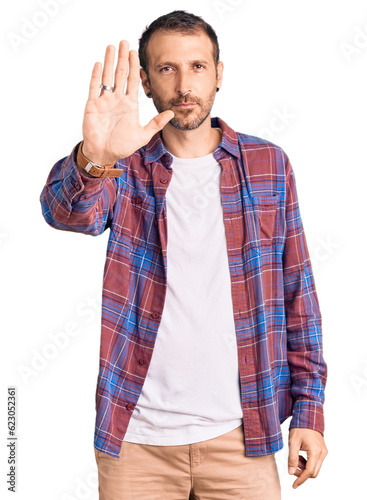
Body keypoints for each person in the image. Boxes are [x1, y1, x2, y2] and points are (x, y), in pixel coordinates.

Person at [40, 10, 328, 500]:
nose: (184, 84)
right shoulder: (123, 165)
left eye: (197, 66)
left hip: (242, 437)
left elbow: (297, 294)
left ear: (219, 73)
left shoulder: (268, 165)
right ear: (148, 82)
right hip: (137, 441)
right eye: (167, 69)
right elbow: (68, 214)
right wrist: (96, 156)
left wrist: (310, 412)